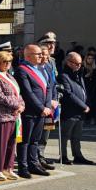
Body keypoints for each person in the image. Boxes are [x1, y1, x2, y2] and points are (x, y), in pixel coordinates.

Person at [14, 44, 53, 178]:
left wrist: (47, 106)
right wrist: (41, 108)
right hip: (30, 111)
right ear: (28, 56)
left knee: (35, 140)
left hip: (43, 111)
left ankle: (34, 164)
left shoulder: (41, 70)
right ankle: (23, 167)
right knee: (25, 141)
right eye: (38, 54)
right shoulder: (22, 70)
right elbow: (27, 92)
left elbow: (48, 88)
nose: (41, 56)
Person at [0, 51, 23, 180]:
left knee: (11, 144)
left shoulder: (10, 76)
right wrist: (16, 105)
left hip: (14, 115)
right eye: (4, 62)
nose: (7, 64)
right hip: (0, 116)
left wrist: (21, 106)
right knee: (0, 145)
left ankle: (8, 168)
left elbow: (18, 94)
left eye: (9, 62)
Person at [59, 52, 94, 165]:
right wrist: (83, 106)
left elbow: (83, 90)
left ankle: (77, 155)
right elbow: (68, 94)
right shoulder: (64, 75)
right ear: (69, 62)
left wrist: (86, 103)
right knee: (65, 136)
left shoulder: (78, 74)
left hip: (80, 112)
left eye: (80, 64)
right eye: (76, 64)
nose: (79, 66)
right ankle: (63, 156)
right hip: (70, 111)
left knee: (76, 136)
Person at [37, 33, 60, 167]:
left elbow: (53, 82)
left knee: (48, 129)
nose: (52, 46)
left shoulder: (52, 61)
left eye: (53, 43)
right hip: (43, 102)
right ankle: (36, 156)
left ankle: (42, 154)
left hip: (52, 101)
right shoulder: (38, 62)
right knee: (39, 131)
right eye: (48, 43)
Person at [82, 52, 96, 124]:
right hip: (85, 87)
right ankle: (85, 117)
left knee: (93, 103)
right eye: (88, 58)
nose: (90, 60)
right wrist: (86, 76)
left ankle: (92, 118)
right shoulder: (83, 67)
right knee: (85, 102)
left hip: (94, 88)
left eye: (91, 59)